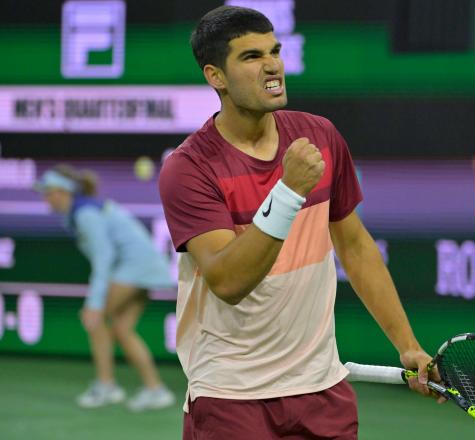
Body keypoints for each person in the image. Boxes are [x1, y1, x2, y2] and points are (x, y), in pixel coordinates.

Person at [158, 5, 444, 439]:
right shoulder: (190, 168)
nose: (272, 64)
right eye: (251, 57)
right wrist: (289, 192)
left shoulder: (321, 136)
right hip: (231, 397)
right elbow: (228, 281)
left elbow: (355, 247)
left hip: (322, 392)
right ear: (216, 76)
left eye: (274, 51)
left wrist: (407, 345)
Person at [34, 164, 176, 411]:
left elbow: (103, 259)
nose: (46, 197)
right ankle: (155, 389)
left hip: (135, 268)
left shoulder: (85, 214)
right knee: (122, 329)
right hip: (146, 267)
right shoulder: (81, 212)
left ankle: (106, 386)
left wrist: (94, 304)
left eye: (49, 191)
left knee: (94, 318)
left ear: (64, 191)